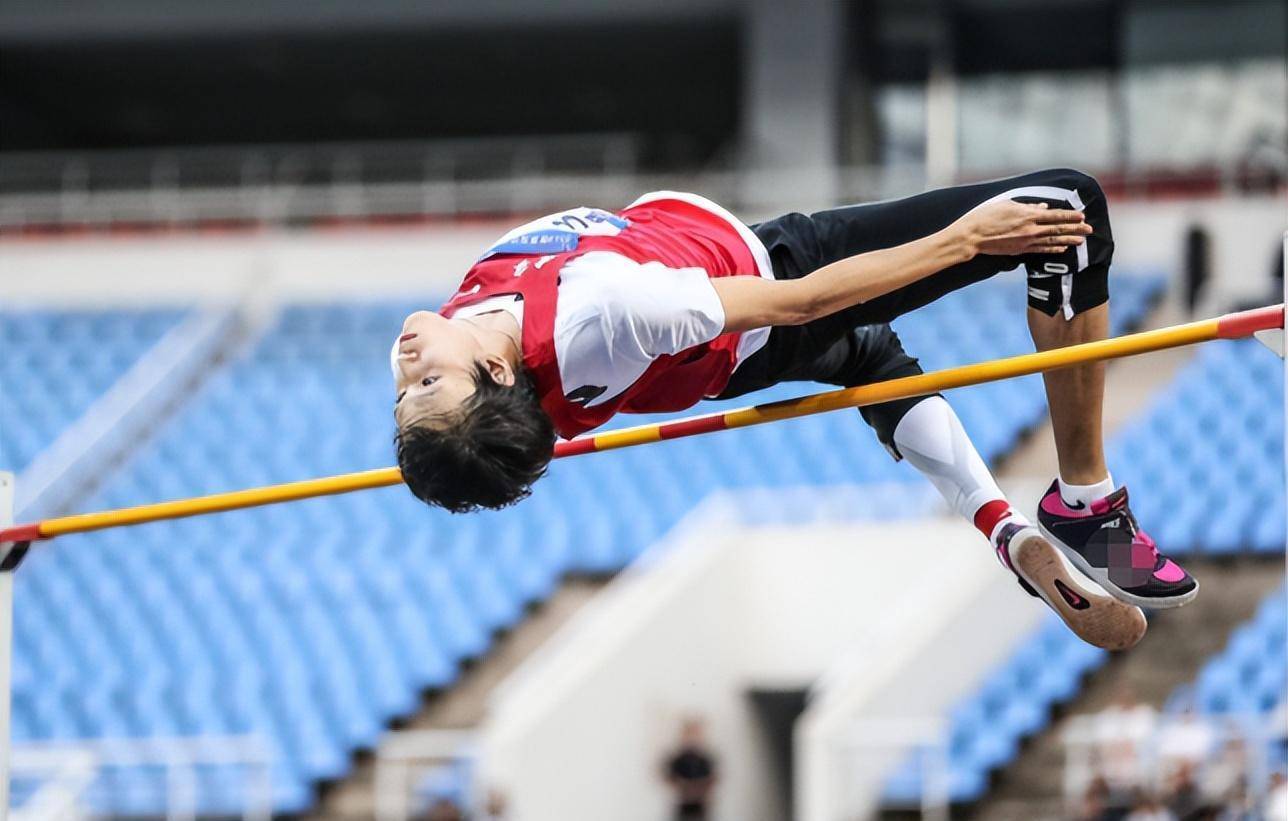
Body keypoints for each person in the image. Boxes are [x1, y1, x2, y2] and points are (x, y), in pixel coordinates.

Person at [391, 169, 1198, 649]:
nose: (406, 365)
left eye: (405, 394)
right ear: (498, 368)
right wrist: (966, 240)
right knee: (1065, 211)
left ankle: (1008, 533)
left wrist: (439, 415)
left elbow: (493, 425)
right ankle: (1085, 502)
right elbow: (802, 301)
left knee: (874, 360)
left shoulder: (469, 341)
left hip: (719, 348)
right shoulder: (602, 310)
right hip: (767, 284)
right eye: (426, 383)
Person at [662, 718, 718, 821]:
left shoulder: (704, 759)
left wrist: (699, 789)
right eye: (689, 734)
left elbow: (712, 779)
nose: (692, 738)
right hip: (683, 806)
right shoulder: (678, 759)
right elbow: (669, 778)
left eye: (695, 734)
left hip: (700, 807)